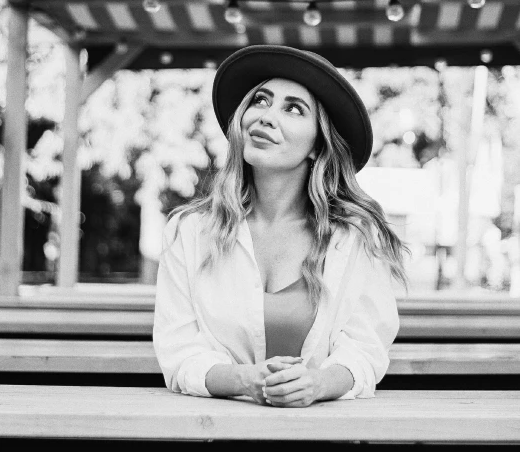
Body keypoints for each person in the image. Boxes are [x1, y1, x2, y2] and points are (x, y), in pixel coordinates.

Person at [153, 45, 410, 408]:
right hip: (213, 431)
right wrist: (246, 379)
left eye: (293, 108)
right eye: (260, 100)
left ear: (317, 146)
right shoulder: (189, 232)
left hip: (328, 437)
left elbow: (365, 350)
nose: (266, 117)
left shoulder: (356, 239)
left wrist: (317, 384)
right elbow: (180, 354)